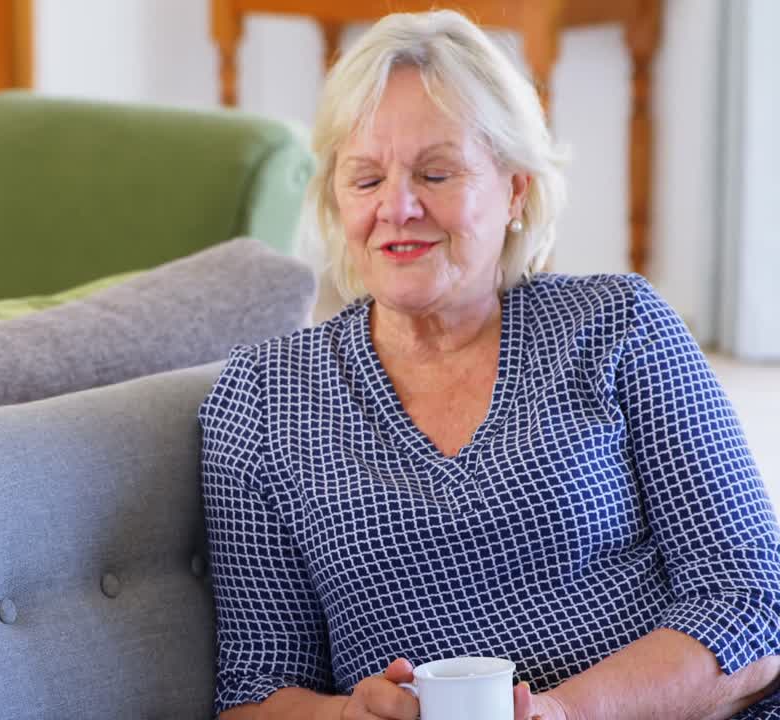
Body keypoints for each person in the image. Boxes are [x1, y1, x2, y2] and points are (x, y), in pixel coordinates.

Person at [199, 9, 780, 720]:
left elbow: (751, 601)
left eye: (436, 173)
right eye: (365, 178)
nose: (398, 207)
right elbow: (254, 693)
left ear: (515, 188)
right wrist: (346, 716)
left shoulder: (619, 326)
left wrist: (567, 714)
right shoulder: (261, 398)